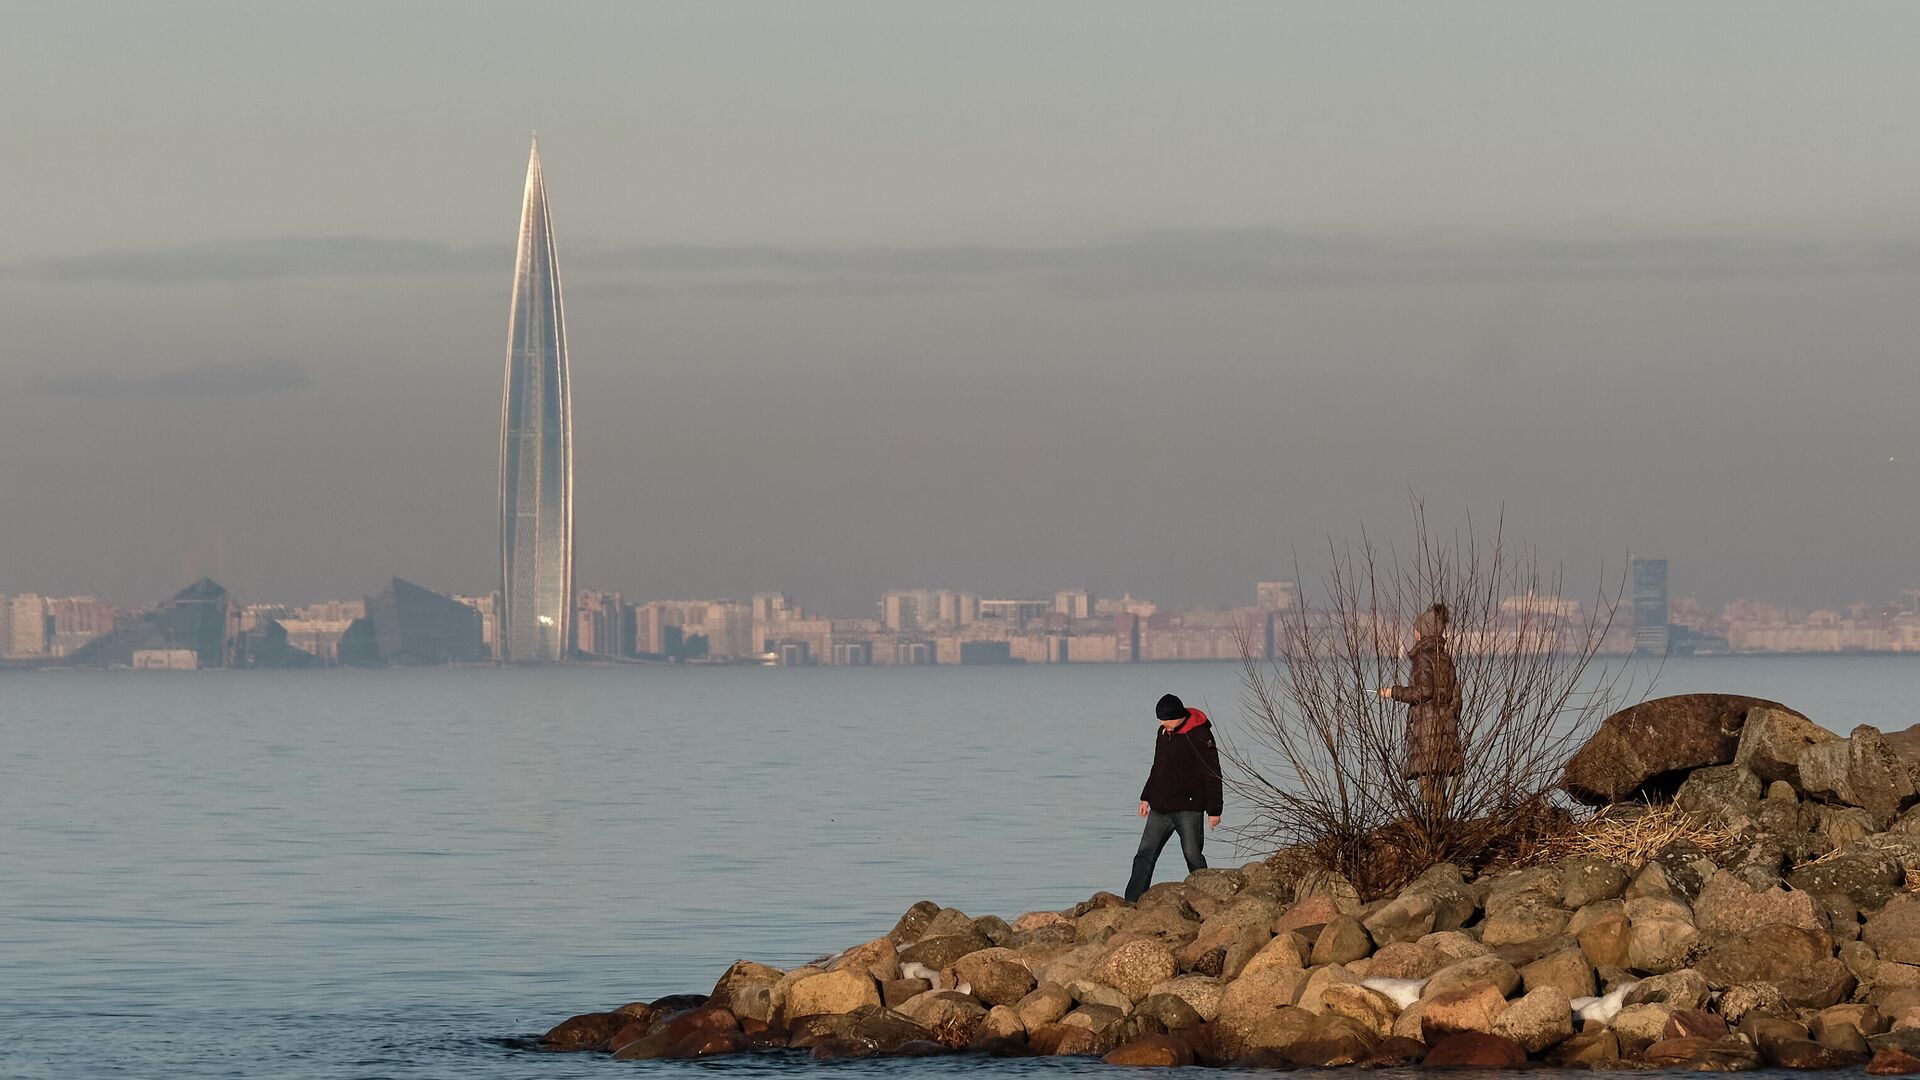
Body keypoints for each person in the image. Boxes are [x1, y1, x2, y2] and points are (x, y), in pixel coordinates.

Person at [1125, 693, 1223, 902]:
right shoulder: (1163, 733)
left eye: (1166, 719)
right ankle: (1132, 901)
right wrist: (1146, 797)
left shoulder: (1199, 735)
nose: (1162, 724)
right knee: (1144, 855)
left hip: (1189, 807)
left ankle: (1207, 899)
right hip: (1160, 807)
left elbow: (1212, 772)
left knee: (1193, 855)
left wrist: (1215, 810)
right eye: (1160, 719)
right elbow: (1157, 767)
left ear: (1179, 716)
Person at [1378, 602, 1464, 816]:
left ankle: (1438, 832)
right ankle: (1442, 827)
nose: (1414, 632)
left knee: (1429, 790)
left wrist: (1393, 692)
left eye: (1416, 629)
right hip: (1444, 731)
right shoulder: (1445, 659)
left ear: (1423, 632)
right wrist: (1449, 719)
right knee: (1438, 788)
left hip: (1427, 733)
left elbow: (1423, 691)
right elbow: (1457, 697)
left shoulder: (1423, 658)